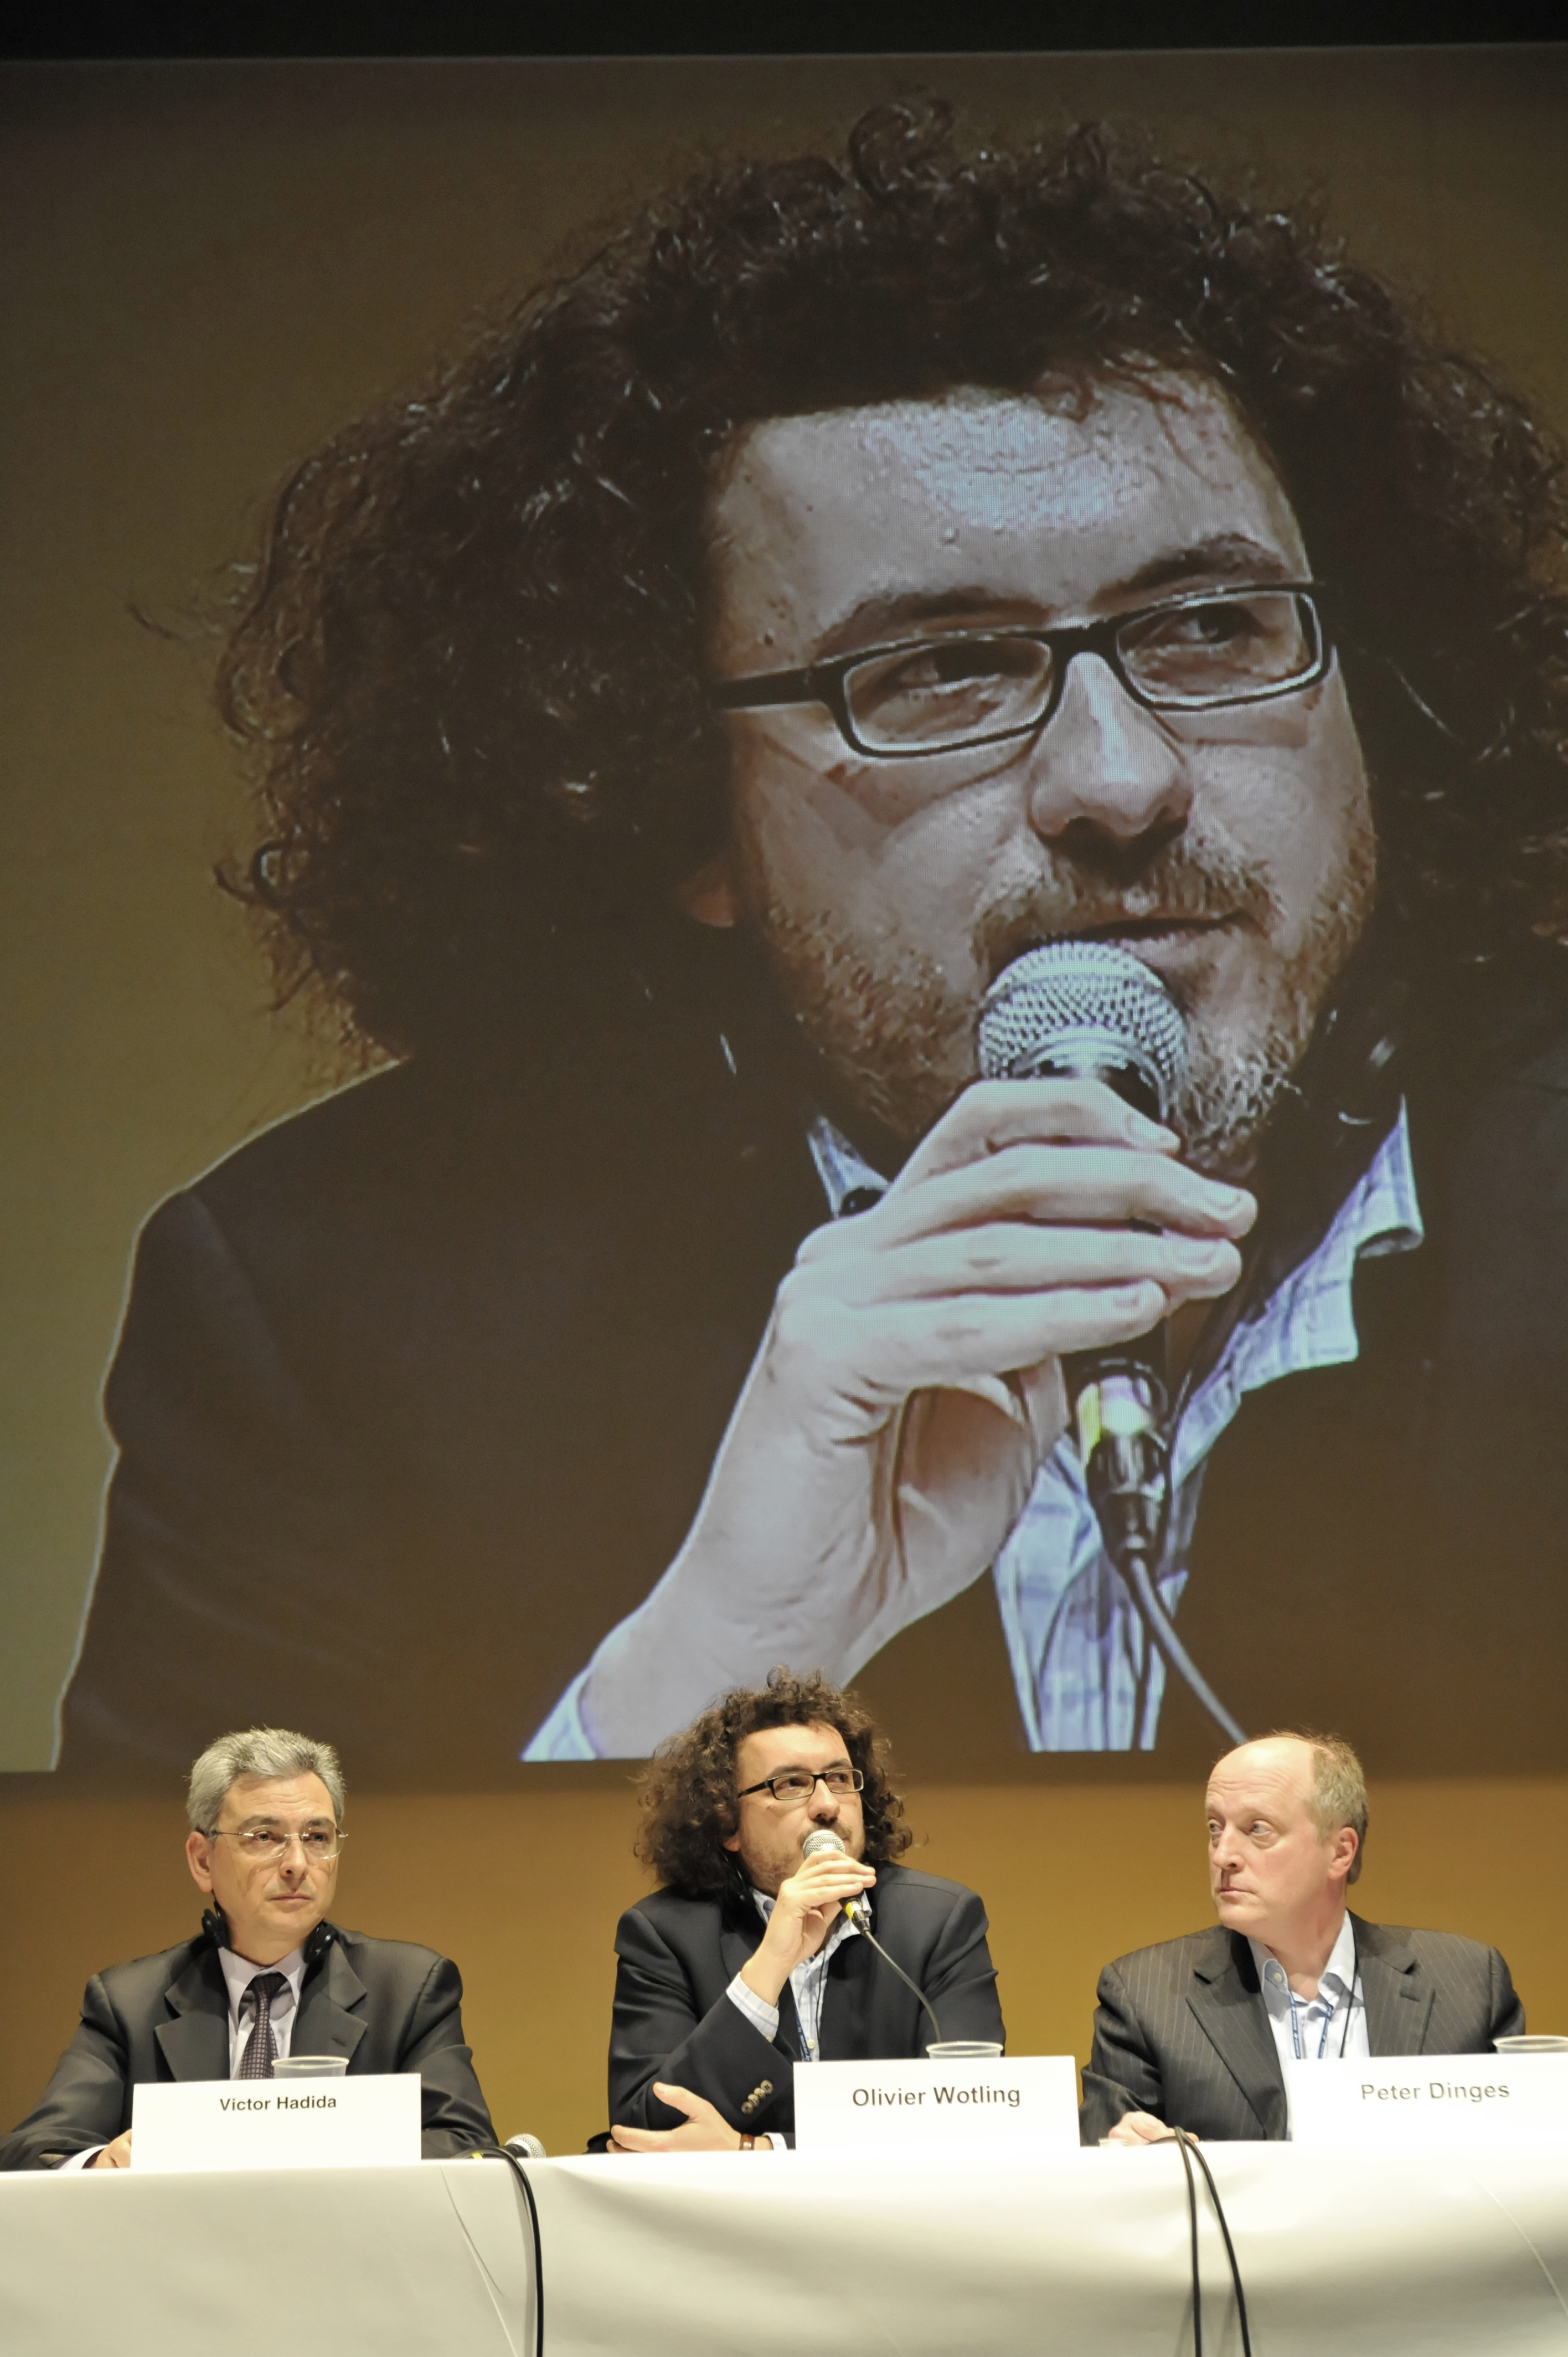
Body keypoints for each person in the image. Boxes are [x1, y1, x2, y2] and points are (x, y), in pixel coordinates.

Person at [59, 98, 1568, 1787]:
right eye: (935, 672)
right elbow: (205, 2038)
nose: (1120, 779)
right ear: (681, 812)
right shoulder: (328, 1307)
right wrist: (716, 1650)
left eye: (1211, 628)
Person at [0, 1727, 496, 2169]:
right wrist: (99, 2164)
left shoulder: (407, 1988)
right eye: (265, 1836)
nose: (298, 1863)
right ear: (202, 1860)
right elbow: (36, 2149)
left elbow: (469, 2147)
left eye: (317, 1836)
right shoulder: (130, 2002)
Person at [604, 1669, 1003, 2150]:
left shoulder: (938, 1923)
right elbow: (643, 2130)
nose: (827, 1805)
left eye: (839, 1778)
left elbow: (972, 2117)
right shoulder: (665, 1934)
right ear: (727, 1821)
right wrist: (768, 1970)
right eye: (790, 1784)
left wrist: (758, 2149)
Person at [1079, 1731, 1525, 2145]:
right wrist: (1122, 2151)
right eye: (1216, 1828)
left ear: (1340, 1851)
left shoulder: (1466, 1985)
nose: (1224, 1855)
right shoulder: (1145, 1996)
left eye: (1258, 1829)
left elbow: (1528, 2152)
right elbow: (1107, 2169)